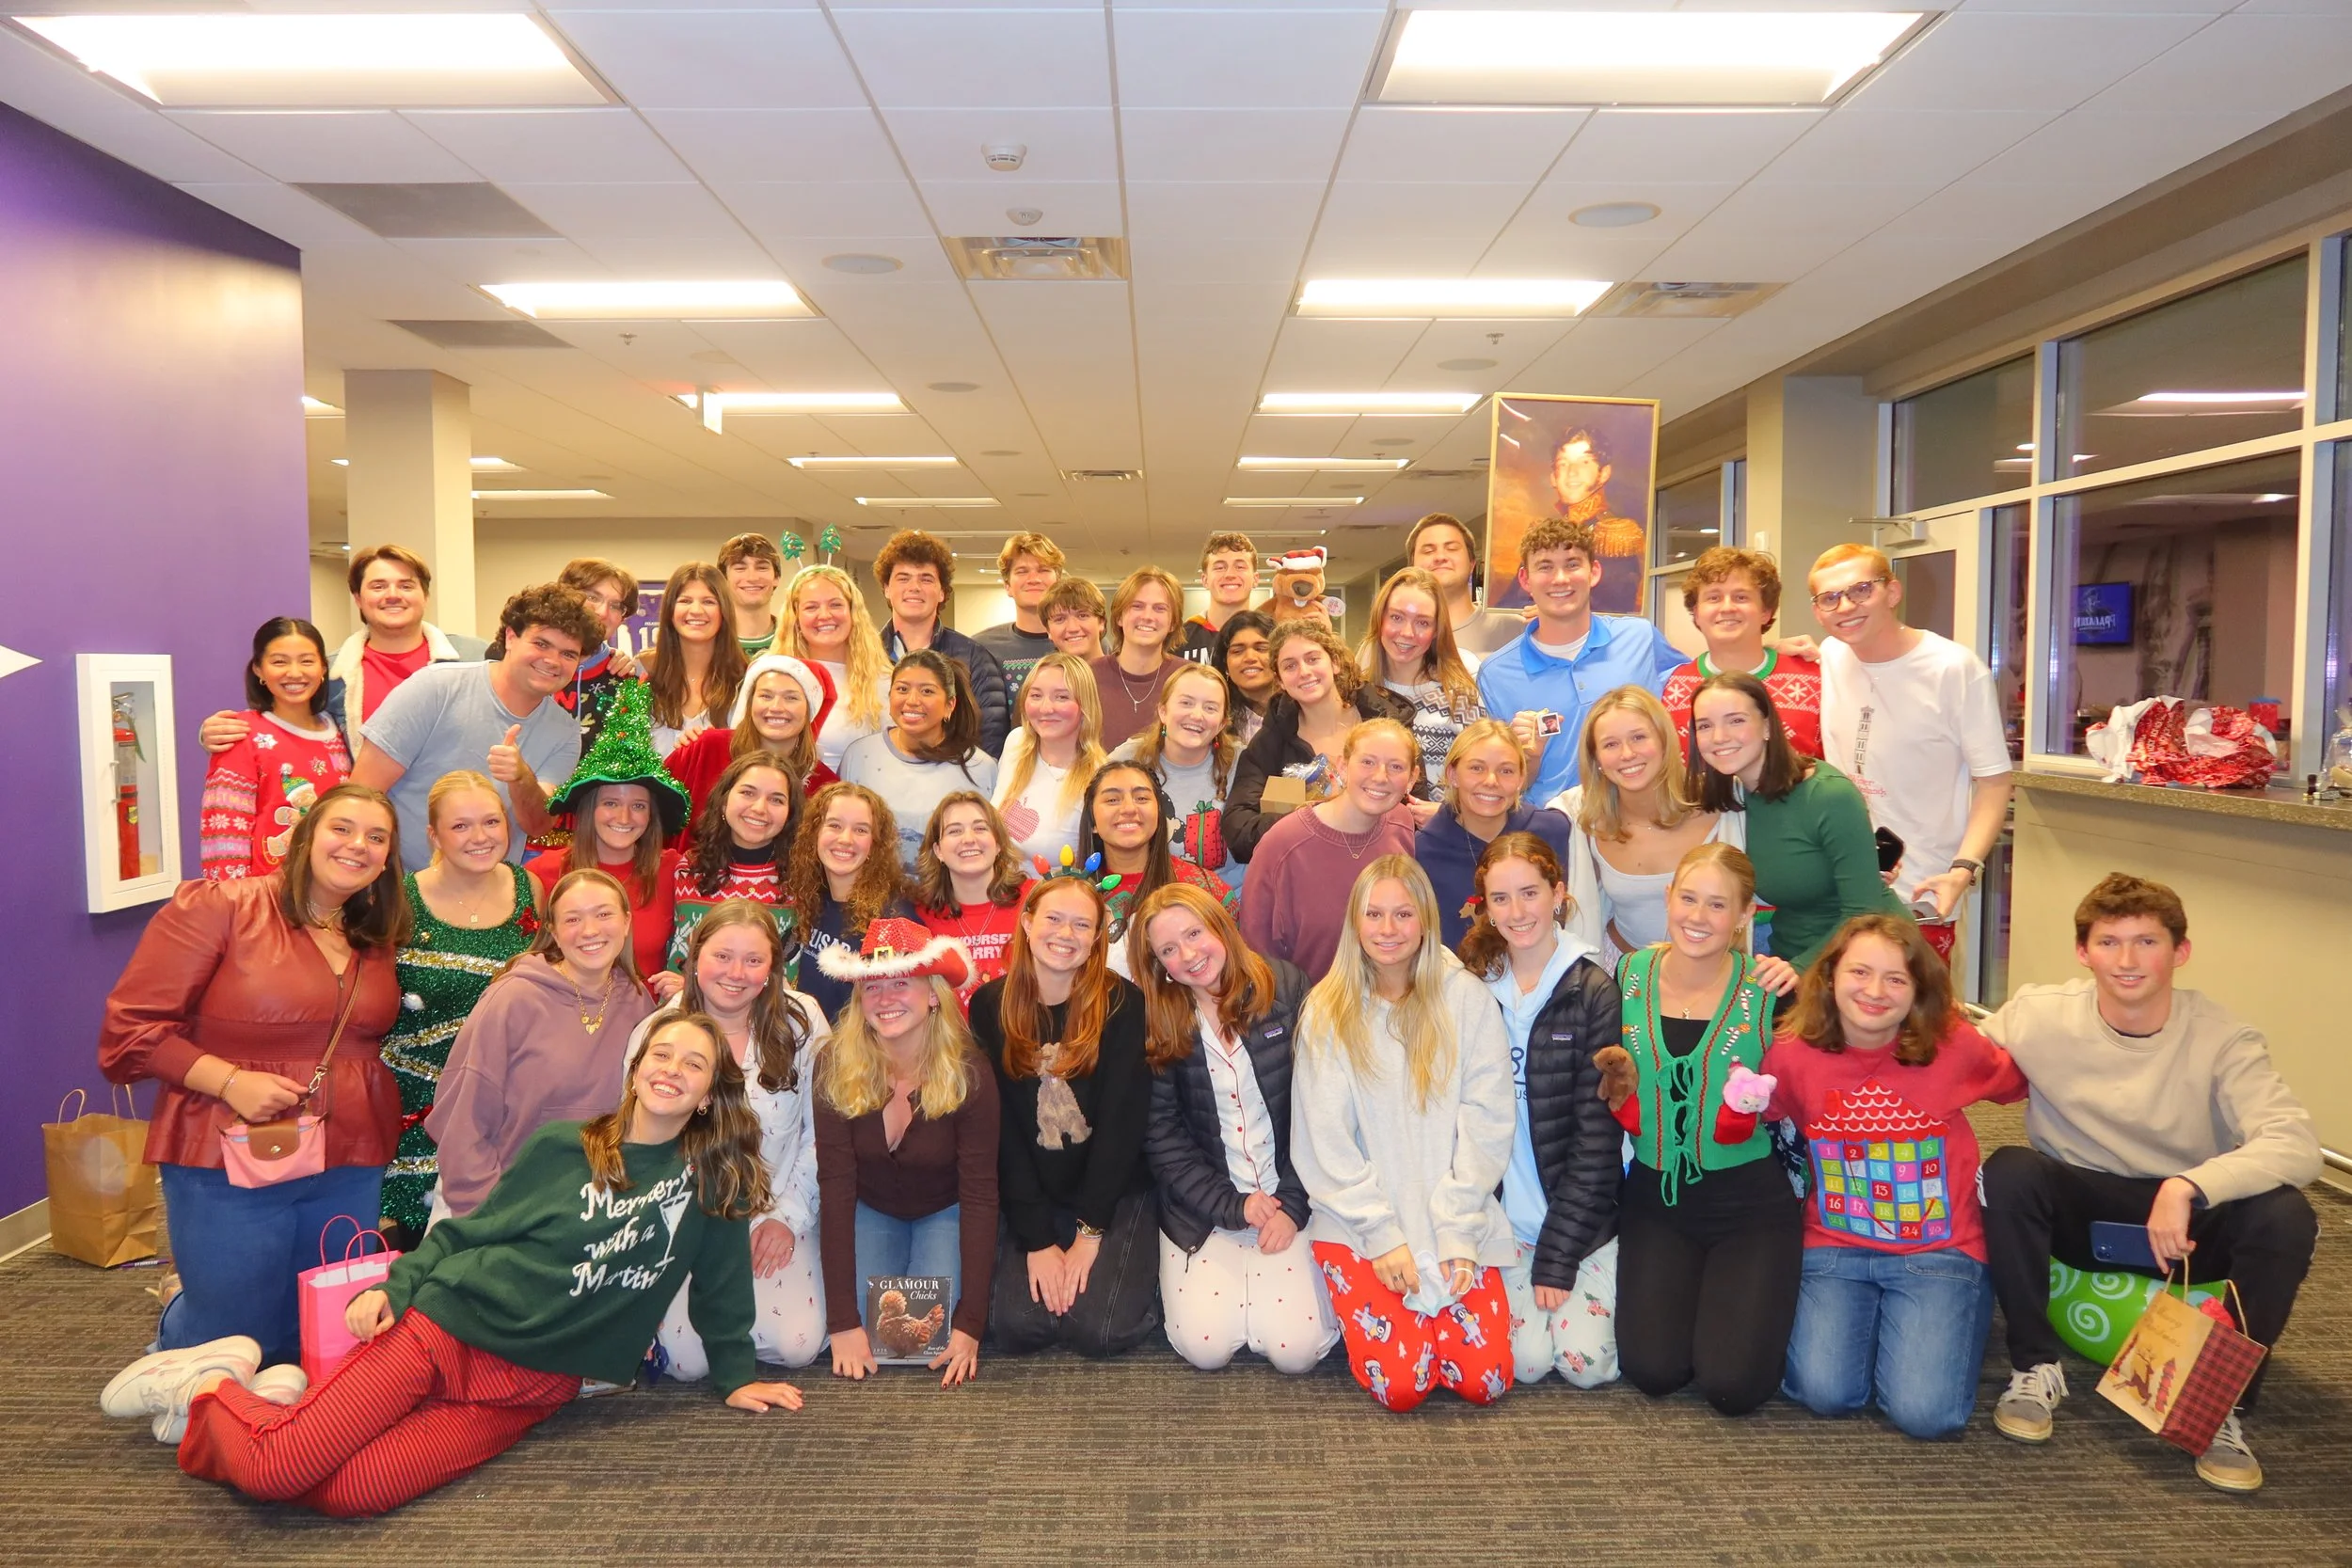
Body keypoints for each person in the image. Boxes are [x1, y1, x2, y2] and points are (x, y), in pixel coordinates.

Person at [103, 1014, 802, 1516]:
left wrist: (737, 1377)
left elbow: (721, 1289)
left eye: (693, 1063)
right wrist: (396, 1284)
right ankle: (207, 1389)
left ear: (710, 1093)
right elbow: (472, 1232)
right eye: (662, 1053)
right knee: (279, 1466)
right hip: (450, 1326)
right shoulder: (567, 1146)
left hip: (527, 1387)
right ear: (636, 1067)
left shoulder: (709, 1184)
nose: (671, 1069)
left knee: (350, 1492)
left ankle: (271, 1403)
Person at [1979, 874, 2320, 1493]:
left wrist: (2188, 1184)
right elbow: (1944, 1057)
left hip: (2184, 1226)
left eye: (2148, 941)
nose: (2128, 961)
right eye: (2109, 942)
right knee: (2008, 1170)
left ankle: (2222, 1406)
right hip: (2080, 1204)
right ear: (2083, 952)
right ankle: (2033, 1365)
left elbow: (2295, 1143)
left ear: (2180, 951)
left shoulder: (2222, 1036)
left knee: (2286, 1214)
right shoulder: (2038, 1013)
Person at [98, 784, 409, 1372]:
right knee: (234, 1336)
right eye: (342, 828)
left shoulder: (374, 935)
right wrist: (228, 1080)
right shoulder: (222, 907)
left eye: (376, 837)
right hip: (229, 1146)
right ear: (305, 835)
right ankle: (178, 1330)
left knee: (322, 1327)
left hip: (349, 1154)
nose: (357, 846)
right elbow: (128, 1034)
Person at [1766, 914, 2026, 1440]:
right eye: (1860, 972)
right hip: (1835, 1245)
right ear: (1832, 975)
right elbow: (1762, 1114)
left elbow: (2019, 1083)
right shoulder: (1794, 1054)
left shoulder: (1954, 1047)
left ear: (1919, 991)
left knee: (1925, 1414)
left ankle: (1962, 1306)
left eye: (1897, 979)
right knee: (1823, 1392)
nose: (1874, 992)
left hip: (1939, 1249)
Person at [1291, 855, 1518, 1412]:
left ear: (1425, 920)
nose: (1388, 930)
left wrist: (1459, 1230)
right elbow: (1325, 1140)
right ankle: (1414, 1330)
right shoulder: (1327, 1008)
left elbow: (1488, 1122)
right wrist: (1383, 1237)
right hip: (1362, 1223)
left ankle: (1438, 1325)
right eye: (1374, 914)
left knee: (1484, 1381)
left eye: (1402, 914)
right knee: (1402, 1384)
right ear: (1355, 922)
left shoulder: (1465, 998)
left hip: (1454, 1216)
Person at [1597, 843, 1800, 1417]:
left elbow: (1831, 1051)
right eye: (1687, 898)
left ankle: (1759, 1300)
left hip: (1748, 1209)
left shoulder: (1769, 990)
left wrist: (1805, 982)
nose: (1697, 917)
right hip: (1655, 1202)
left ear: (1743, 916)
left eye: (1717, 905)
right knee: (1653, 1371)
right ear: (1668, 899)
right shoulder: (1629, 975)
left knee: (1732, 1386)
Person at [1131, 883, 1334, 1372]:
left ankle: (1269, 1289)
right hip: (1206, 1208)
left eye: (1195, 933)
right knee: (1206, 1347)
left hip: (1293, 1192)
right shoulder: (1160, 1020)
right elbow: (1163, 1137)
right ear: (1158, 965)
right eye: (1169, 950)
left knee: (1297, 1353)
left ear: (1220, 925)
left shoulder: (1285, 987)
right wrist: (1232, 1206)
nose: (1189, 954)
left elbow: (1322, 1109)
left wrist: (1292, 1203)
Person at [633, 903, 832, 1376]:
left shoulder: (802, 1021)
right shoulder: (659, 1032)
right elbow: (639, 1146)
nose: (736, 974)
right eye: (722, 956)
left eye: (753, 960)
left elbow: (825, 1132)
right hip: (689, 1221)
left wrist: (787, 1217)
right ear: (694, 956)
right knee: (685, 1362)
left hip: (779, 1208)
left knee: (797, 1345)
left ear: (772, 969)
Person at [1456, 832, 1624, 1388]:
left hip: (1574, 1219)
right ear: (1484, 906)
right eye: (1500, 899)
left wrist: (1558, 1254)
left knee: (1586, 1367)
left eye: (1529, 893)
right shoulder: (1472, 981)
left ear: (1558, 893)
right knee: (1523, 1363)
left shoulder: (1592, 988)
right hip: (1501, 1219)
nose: (1517, 911)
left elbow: (1596, 1141)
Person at [971, 877, 1162, 1357]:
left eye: (1082, 924)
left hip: (1112, 1192)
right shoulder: (990, 1005)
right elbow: (1003, 1135)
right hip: (1035, 1187)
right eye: (1053, 919)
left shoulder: (1123, 1003)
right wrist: (1037, 1239)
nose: (1066, 934)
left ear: (1098, 937)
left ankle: (1145, 1282)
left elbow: (1121, 1128)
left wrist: (1088, 1235)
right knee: (1014, 1328)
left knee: (1099, 1331)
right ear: (1028, 923)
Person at [813, 921, 996, 1387]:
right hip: (869, 1207)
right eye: (873, 986)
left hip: (946, 1208)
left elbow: (980, 1195)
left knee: (923, 1345)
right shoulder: (833, 1063)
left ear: (933, 994)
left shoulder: (969, 1070)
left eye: (901, 983)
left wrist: (971, 1322)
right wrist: (841, 1322)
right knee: (872, 1339)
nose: (885, 998)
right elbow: (834, 1187)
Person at [1811, 542, 2013, 952]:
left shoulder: (1954, 670)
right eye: (1829, 598)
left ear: (1893, 592)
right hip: (1840, 888)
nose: (1846, 606)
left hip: (1919, 895)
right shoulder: (1832, 655)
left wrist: (1963, 870)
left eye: (1861, 590)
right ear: (1817, 612)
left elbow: (1995, 782)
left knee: (1911, 1013)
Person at [425, 867, 657, 1219]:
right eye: (573, 918)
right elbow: (462, 1120)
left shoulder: (638, 1003)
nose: (590, 930)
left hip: (593, 1210)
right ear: (554, 931)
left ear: (626, 923)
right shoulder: (513, 998)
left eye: (604, 914)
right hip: (503, 1203)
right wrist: (487, 1211)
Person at [378, 772, 539, 1244]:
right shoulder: (398, 899)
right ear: (433, 835)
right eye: (461, 826)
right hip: (413, 1116)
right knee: (410, 1256)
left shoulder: (529, 886)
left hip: (503, 1108)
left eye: (491, 821)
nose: (481, 837)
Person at [354, 582, 598, 874]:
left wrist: (521, 778)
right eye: (541, 643)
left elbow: (538, 824)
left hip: (489, 901)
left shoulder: (565, 731)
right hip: (399, 889)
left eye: (568, 654)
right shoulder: (436, 687)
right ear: (510, 637)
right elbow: (360, 794)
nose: (552, 660)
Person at [1690, 672, 1908, 972]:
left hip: (1869, 964)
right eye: (1705, 725)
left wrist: (1800, 969)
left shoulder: (1828, 795)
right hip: (1785, 957)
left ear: (1767, 726)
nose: (1718, 737)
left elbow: (1864, 912)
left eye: (1736, 720)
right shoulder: (1731, 797)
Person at [194, 544, 485, 762]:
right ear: (358, 598)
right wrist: (215, 734)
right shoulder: (329, 674)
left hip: (462, 827)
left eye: (406, 585)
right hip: (368, 828)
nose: (393, 595)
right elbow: (283, 728)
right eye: (378, 586)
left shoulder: (476, 658)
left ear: (425, 595)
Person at [1474, 515, 1686, 804]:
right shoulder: (1496, 674)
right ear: (1525, 579)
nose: (1560, 579)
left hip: (1644, 818)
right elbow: (1505, 784)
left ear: (1594, 571)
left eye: (1572, 564)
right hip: (1553, 829)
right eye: (1545, 567)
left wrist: (1764, 652)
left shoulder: (1641, 638)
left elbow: (1696, 685)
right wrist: (1529, 755)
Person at [1556, 686, 1755, 973]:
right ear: (1596, 759)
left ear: (1664, 740)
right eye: (1610, 744)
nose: (1627, 754)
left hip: (1717, 972)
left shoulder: (1725, 800)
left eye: (1638, 737)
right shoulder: (1585, 818)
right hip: (1623, 971)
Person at [526, 682, 689, 981]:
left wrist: (686, 982)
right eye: (611, 803)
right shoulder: (543, 873)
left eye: (638, 806)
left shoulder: (673, 869)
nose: (624, 817)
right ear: (589, 809)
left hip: (647, 1021)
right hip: (569, 1018)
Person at [1224, 620, 1417, 864]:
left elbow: (1414, 813)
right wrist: (1312, 820)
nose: (1304, 671)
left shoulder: (1388, 725)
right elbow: (1239, 831)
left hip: (1382, 871)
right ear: (1280, 680)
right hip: (1307, 874)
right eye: (1290, 665)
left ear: (1334, 663)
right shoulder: (1270, 742)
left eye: (1313, 659)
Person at [1239, 720, 1420, 979]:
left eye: (1395, 767)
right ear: (1343, 766)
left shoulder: (1400, 823)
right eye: (1367, 762)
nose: (1380, 777)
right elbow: (1256, 951)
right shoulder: (1282, 844)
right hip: (1311, 1009)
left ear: (1411, 778)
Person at [200, 617, 352, 881]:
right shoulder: (241, 733)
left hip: (338, 892)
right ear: (258, 669)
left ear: (323, 668)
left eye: (306, 661)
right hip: (269, 898)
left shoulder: (341, 732)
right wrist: (236, 903)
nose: (294, 673)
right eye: (279, 661)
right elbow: (224, 835)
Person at [1417, 721, 1573, 950]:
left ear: (1521, 779)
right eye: (1477, 768)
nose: (1491, 781)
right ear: (1452, 775)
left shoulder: (1554, 832)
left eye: (1506, 771)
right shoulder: (1422, 853)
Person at [839, 649, 999, 870]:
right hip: (875, 897)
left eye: (927, 691)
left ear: (950, 704)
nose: (912, 701)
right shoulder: (859, 755)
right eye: (902, 689)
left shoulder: (979, 767)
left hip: (949, 898)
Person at [1660, 547, 1823, 759]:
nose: (1727, 607)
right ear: (1697, 613)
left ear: (1766, 612)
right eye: (1714, 597)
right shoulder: (1670, 689)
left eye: (1741, 597)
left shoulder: (1814, 680)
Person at [1084, 760, 1236, 968]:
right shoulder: (1071, 893)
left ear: (1159, 813)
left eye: (1142, 798)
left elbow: (1235, 969)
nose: (1129, 808)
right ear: (1092, 821)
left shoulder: (1205, 889)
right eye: (1112, 800)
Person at [786, 782, 916, 1023]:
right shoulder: (808, 898)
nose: (845, 839)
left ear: (875, 845)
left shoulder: (893, 920)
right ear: (815, 833)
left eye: (861, 830)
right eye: (834, 825)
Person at [664, 652, 836, 832]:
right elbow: (651, 810)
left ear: (810, 709)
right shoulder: (705, 749)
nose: (776, 707)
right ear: (750, 702)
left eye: (791, 698)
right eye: (766, 696)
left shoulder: (823, 786)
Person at [875, 529, 1009, 757]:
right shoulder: (865, 655)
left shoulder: (974, 658)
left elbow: (990, 739)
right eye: (903, 578)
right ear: (887, 589)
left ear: (942, 593)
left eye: (926, 579)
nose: (914, 587)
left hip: (954, 783)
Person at [1110, 662, 1243, 889]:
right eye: (1186, 703)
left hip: (1223, 906)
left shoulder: (1243, 762)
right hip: (1148, 900)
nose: (1196, 715)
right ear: (1163, 711)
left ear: (1222, 723)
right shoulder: (1127, 759)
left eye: (1210, 708)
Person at [668, 750, 801, 967]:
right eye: (748, 793)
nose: (760, 808)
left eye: (776, 799)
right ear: (723, 801)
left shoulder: (803, 883)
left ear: (789, 814)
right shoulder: (686, 868)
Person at [1358, 565, 1485, 784]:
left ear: (1436, 630)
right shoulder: (1356, 694)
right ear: (1380, 619)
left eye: (1422, 622)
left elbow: (1483, 776)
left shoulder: (1460, 698)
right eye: (1397, 617)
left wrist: (1444, 812)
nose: (1407, 633)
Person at [913, 792, 1035, 1006]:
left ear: (998, 844)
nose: (969, 839)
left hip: (1023, 1036)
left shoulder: (1036, 899)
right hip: (950, 1040)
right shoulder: (919, 917)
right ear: (938, 850)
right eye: (954, 831)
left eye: (980, 828)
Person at [992, 651, 1104, 867]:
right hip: (1000, 889)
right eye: (1035, 695)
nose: (1045, 708)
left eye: (1061, 697)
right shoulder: (1017, 743)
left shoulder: (1099, 777)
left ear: (1085, 706)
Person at [781, 563, 892, 775]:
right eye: (811, 607)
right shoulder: (770, 675)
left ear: (852, 612)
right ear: (795, 617)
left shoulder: (884, 682)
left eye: (835, 605)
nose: (824, 615)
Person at [643, 562, 746, 757]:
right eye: (685, 601)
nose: (696, 610)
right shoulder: (642, 676)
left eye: (708, 601)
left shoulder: (746, 681)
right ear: (670, 611)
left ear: (723, 611)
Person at [545, 558, 643, 755]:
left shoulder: (626, 681)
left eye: (616, 605)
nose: (602, 612)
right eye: (592, 597)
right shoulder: (530, 666)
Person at [1406, 511, 1527, 667]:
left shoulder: (1515, 629)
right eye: (1429, 551)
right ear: (1412, 567)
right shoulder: (1395, 638)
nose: (1440, 557)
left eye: (1452, 548)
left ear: (1472, 564)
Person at [1091, 566, 1187, 750]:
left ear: (1173, 622)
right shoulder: (1087, 676)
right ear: (1119, 617)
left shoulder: (1189, 678)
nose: (1147, 616)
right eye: (1137, 606)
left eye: (1160, 609)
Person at [973, 531, 1064, 699]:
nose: (1033, 579)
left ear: (1058, 581)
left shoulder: (1085, 641)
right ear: (1007, 585)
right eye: (1022, 571)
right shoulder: (980, 648)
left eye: (1043, 570)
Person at [1180, 531, 1259, 661]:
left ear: (1255, 579)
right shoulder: (1179, 639)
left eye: (1239, 567)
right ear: (1205, 580)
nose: (1229, 574)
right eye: (1219, 567)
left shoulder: (1271, 636)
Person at [1209, 609, 1277, 745]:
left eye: (1261, 649)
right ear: (1225, 663)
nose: (1250, 658)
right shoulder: (1214, 719)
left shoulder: (1303, 711)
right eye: (1237, 651)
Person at [719, 531, 786, 657]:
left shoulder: (794, 641)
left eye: (762, 568)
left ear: (776, 577)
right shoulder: (710, 643)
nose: (752, 577)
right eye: (740, 568)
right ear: (723, 579)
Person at [1041, 575, 1108, 662]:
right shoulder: (1043, 675)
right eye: (1060, 619)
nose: (1072, 628)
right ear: (1048, 630)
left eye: (1082, 616)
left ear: (1101, 621)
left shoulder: (1121, 674)